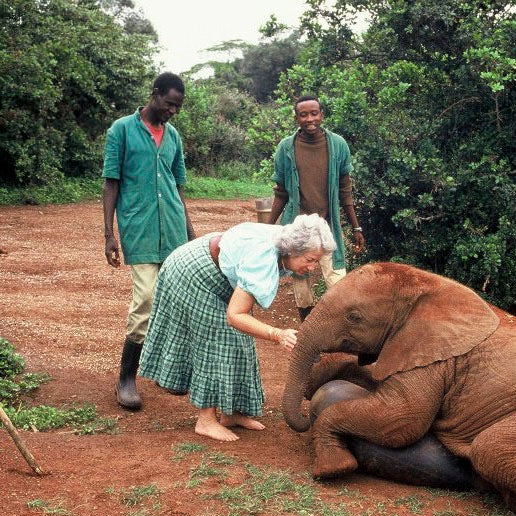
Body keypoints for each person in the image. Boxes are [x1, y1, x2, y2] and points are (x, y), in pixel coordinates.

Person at [138, 214, 336, 442]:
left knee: (241, 341)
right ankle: (206, 420)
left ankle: (232, 414)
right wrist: (277, 334)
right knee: (215, 341)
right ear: (293, 250)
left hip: (218, 268)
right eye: (310, 260)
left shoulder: (288, 241)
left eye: (316, 262)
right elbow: (235, 316)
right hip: (194, 273)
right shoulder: (263, 259)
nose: (312, 268)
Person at [102, 72, 195, 411]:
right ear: (154, 95)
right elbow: (111, 182)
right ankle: (126, 378)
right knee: (145, 300)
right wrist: (109, 233)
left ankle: (168, 374)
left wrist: (189, 230)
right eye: (170, 103)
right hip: (138, 229)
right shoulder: (122, 130)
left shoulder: (173, 137)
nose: (173, 110)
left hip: (172, 229)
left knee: (175, 301)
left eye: (178, 106)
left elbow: (177, 186)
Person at [268, 95, 365, 322]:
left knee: (338, 282)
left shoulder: (338, 145)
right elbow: (281, 192)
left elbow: (345, 190)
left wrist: (356, 227)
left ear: (321, 115)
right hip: (297, 228)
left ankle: (340, 338)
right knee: (301, 285)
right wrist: (267, 228)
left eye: (314, 113)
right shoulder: (286, 148)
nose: (309, 119)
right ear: (296, 118)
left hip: (327, 227)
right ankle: (309, 336)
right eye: (303, 114)